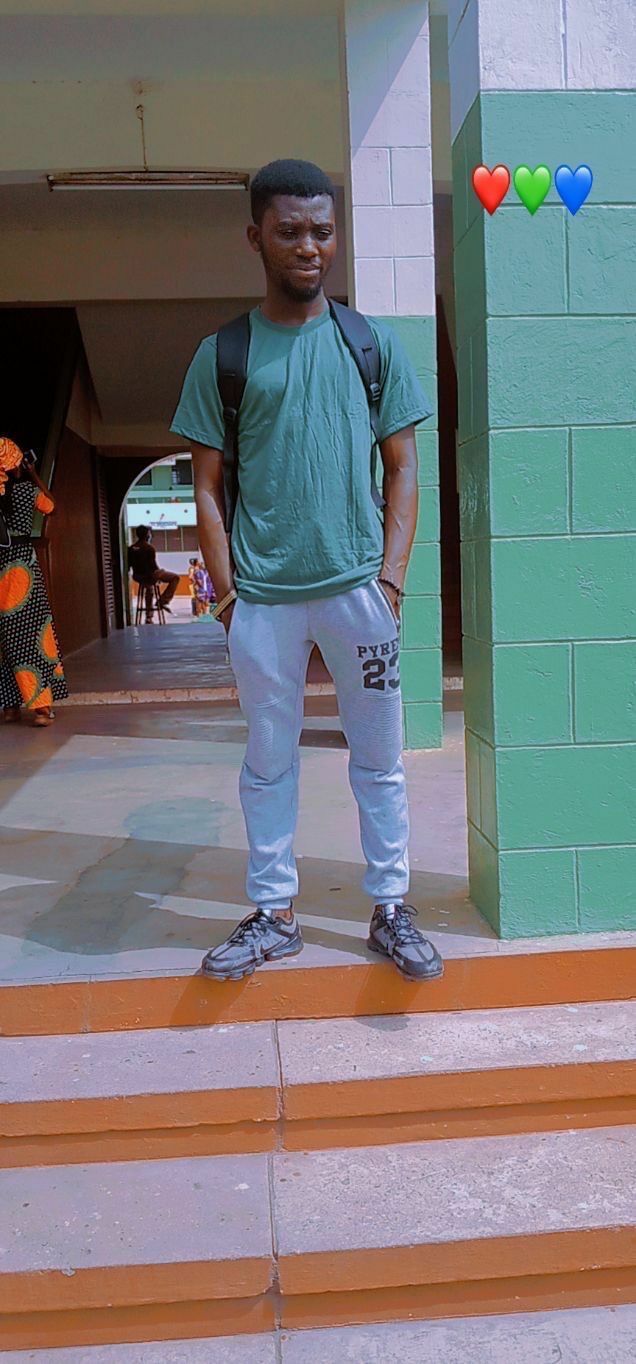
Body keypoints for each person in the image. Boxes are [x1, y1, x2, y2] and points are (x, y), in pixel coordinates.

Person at [171, 158, 443, 984]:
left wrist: (391, 581)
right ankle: (274, 913)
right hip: (264, 603)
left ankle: (390, 907)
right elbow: (206, 488)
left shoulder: (371, 345)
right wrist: (228, 599)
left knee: (380, 759)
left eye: (322, 231)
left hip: (361, 593)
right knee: (268, 761)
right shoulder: (224, 353)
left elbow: (404, 468)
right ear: (256, 237)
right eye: (289, 231)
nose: (309, 246)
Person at [0, 437, 68, 727]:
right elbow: (52, 507)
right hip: (21, 569)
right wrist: (34, 474)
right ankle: (41, 708)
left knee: (4, 638)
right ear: (16, 464)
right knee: (30, 633)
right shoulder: (27, 491)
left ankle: (10, 708)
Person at [127, 525, 179, 622]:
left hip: (138, 576)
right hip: (150, 575)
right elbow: (153, 567)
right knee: (175, 577)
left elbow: (129, 565)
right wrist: (159, 575)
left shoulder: (131, 549)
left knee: (149, 589)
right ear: (147, 535)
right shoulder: (149, 548)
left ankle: (149, 617)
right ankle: (163, 601)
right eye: (149, 533)